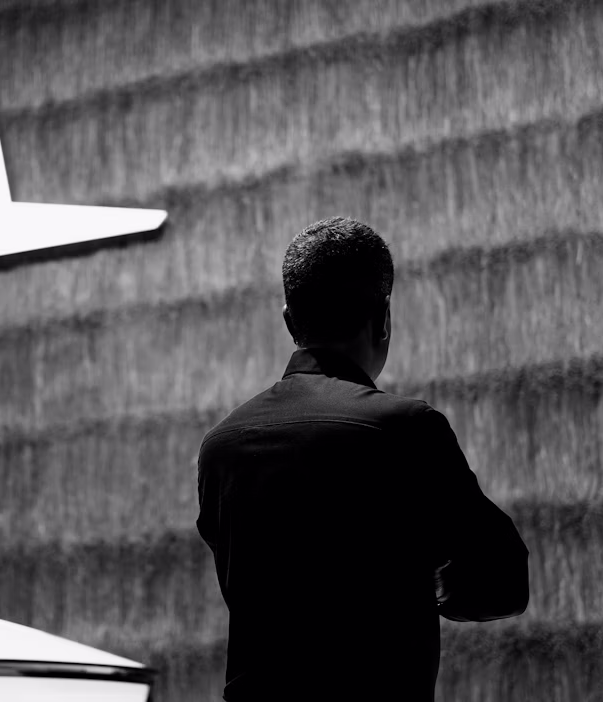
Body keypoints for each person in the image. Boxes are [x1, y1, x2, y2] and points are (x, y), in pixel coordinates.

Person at [196, 216, 529, 701]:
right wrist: (421, 581)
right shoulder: (405, 429)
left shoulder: (220, 448)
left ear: (290, 322)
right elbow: (503, 581)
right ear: (385, 317)